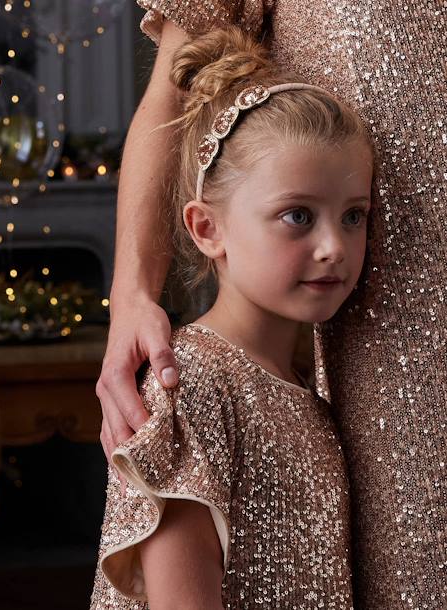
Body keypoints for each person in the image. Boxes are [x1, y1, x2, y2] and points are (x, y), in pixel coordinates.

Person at [96, 2, 446, 607]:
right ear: (208, 228)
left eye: (356, 216)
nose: (335, 248)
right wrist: (130, 297)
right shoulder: (193, 388)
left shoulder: (307, 401)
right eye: (298, 216)